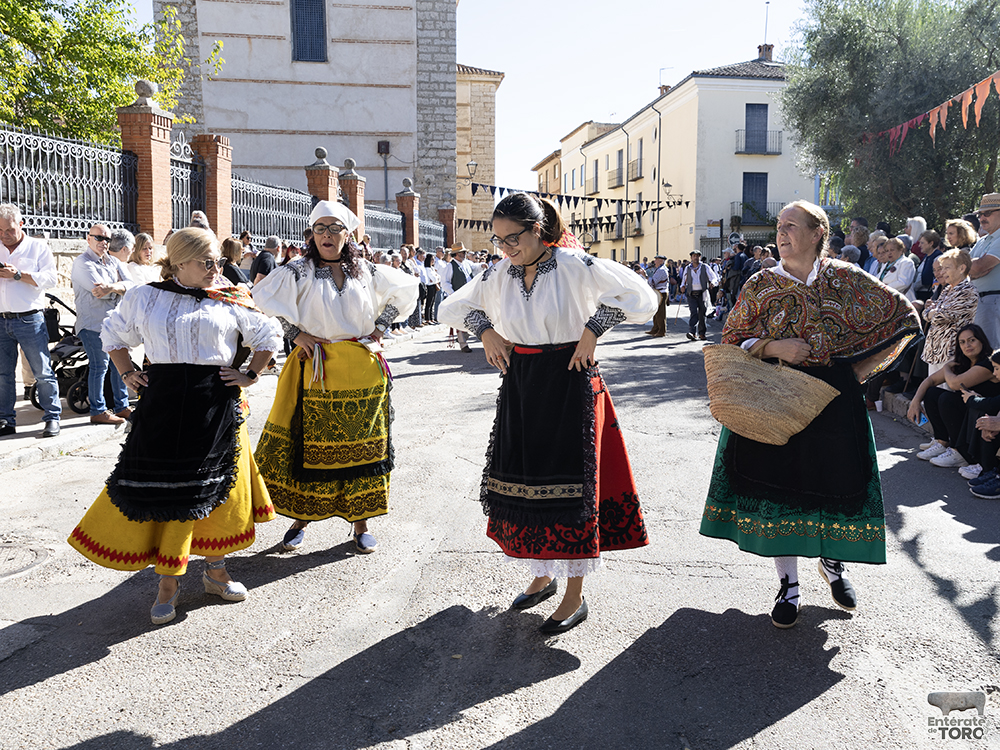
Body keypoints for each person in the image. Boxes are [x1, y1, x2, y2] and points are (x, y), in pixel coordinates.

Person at [437, 192, 658, 634]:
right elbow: (452, 307)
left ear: (538, 230)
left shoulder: (576, 264)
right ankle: (542, 576)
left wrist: (594, 329)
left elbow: (643, 298)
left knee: (572, 490)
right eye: (499, 241)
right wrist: (486, 333)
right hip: (523, 383)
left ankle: (575, 595)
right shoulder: (500, 272)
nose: (505, 249)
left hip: (571, 379)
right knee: (527, 484)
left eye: (513, 238)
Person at [700, 200, 920, 629]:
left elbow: (903, 318)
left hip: (834, 401)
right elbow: (731, 338)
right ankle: (788, 584)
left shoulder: (846, 278)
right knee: (779, 489)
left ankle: (833, 563)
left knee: (833, 482)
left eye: (791, 226)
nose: (781, 233)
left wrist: (856, 370)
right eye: (779, 226)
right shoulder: (761, 283)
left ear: (818, 233)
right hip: (773, 396)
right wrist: (772, 346)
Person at [67, 227, 283, 625]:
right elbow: (112, 334)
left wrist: (250, 374)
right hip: (163, 405)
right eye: (207, 262)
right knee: (168, 493)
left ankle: (216, 572)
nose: (216, 268)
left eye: (218, 260)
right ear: (180, 261)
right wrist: (128, 371)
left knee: (215, 493)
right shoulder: (145, 296)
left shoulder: (228, 296)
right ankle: (168, 584)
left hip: (215, 405)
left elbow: (268, 334)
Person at [251, 201, 418, 556]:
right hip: (317, 370)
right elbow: (261, 299)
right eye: (320, 228)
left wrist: (381, 326)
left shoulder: (365, 271)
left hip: (361, 372)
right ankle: (301, 520)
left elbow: (405, 291)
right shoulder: (298, 270)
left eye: (335, 228)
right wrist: (295, 334)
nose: (327, 235)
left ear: (348, 234)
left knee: (364, 451)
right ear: (311, 233)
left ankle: (362, 524)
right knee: (311, 449)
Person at [0, 204, 61, 438]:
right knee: (3, 374)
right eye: (0, 230)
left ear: (21, 224)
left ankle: (52, 417)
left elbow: (51, 279)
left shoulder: (37, 247)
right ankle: (5, 420)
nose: (4, 235)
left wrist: (18, 275)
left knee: (42, 372)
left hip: (29, 320)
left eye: (9, 230)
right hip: (1, 319)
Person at [909, 324, 996, 473]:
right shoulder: (963, 362)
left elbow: (955, 384)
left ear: (981, 340)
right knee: (932, 393)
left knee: (947, 399)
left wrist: (947, 369)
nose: (967, 345)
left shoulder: (989, 363)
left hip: (984, 412)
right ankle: (942, 442)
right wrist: (915, 402)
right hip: (969, 412)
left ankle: (960, 451)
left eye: (972, 340)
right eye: (962, 342)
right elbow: (929, 380)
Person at [71, 223, 134, 425]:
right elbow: (97, 292)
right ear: (88, 239)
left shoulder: (112, 262)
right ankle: (98, 410)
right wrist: (117, 289)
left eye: (107, 239)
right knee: (100, 366)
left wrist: (112, 287)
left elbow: (131, 286)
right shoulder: (82, 263)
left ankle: (122, 406)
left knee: (119, 366)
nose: (103, 242)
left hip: (114, 324)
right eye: (98, 238)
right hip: (92, 324)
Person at [919, 249, 977, 376]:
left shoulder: (967, 290)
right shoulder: (946, 290)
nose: (942, 272)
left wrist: (932, 312)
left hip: (951, 350)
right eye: (942, 268)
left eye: (947, 268)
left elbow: (943, 316)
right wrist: (932, 312)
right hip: (936, 349)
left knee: (947, 391)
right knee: (933, 390)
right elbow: (926, 313)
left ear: (961, 268)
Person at [969, 194, 1000, 347]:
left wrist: (972, 268)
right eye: (980, 214)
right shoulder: (982, 240)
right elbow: (962, 268)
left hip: (993, 300)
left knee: (991, 352)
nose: (982, 218)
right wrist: (972, 267)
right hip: (978, 301)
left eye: (987, 213)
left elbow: (978, 266)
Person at [441, 242, 475, 352]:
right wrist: (453, 294)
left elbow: (475, 268)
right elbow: (445, 283)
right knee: (460, 320)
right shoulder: (450, 266)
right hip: (458, 297)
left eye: (464, 252)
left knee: (471, 319)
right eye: (462, 252)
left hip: (469, 296)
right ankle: (463, 344)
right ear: (456, 254)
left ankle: (463, 337)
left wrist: (482, 266)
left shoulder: (466, 264)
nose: (464, 254)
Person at [679, 250, 719, 341]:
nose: (695, 258)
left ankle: (702, 333)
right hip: (691, 293)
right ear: (691, 258)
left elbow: (713, 277)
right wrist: (682, 286)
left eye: (697, 256)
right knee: (693, 312)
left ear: (700, 257)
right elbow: (684, 280)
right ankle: (692, 332)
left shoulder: (705, 267)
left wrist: (713, 283)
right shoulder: (687, 268)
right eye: (694, 256)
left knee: (702, 313)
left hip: (702, 293)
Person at [645, 256, 669, 337]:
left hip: (661, 292)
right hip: (658, 292)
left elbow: (653, 282)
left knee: (660, 313)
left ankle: (661, 330)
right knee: (656, 311)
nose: (654, 261)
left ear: (661, 261)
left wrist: (645, 276)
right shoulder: (659, 269)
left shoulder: (661, 270)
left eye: (656, 260)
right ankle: (655, 328)